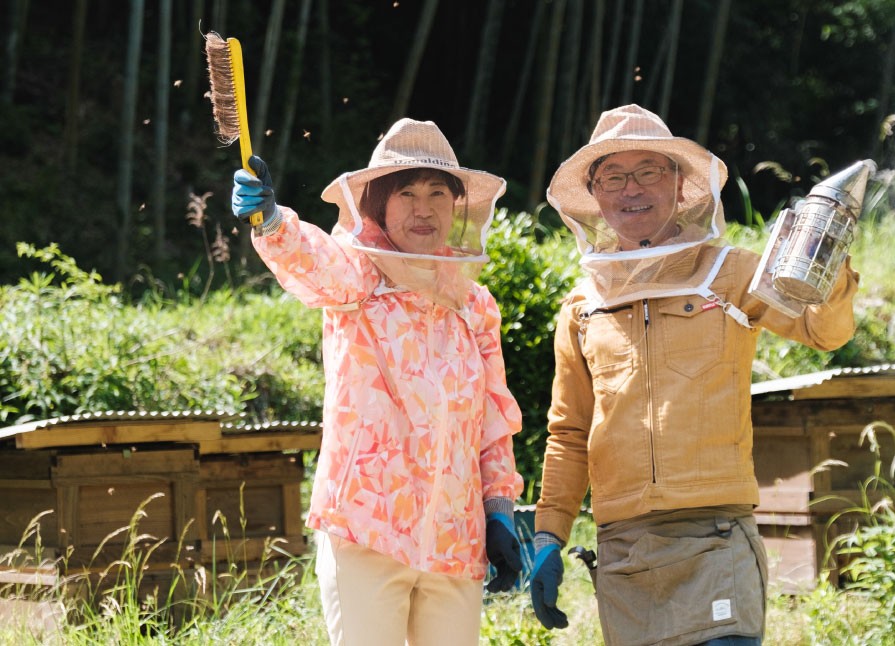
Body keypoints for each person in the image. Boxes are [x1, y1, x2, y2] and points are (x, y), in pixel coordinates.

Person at [528, 104, 859, 645]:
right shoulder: (582, 307)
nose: (631, 189)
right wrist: (548, 535)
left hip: (715, 536)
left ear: (680, 183)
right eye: (613, 176)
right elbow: (568, 433)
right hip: (624, 549)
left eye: (649, 171)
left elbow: (824, 331)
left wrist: (830, 263)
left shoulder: (731, 274)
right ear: (595, 195)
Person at [231, 118, 524, 646]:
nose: (423, 207)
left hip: (455, 541)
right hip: (367, 531)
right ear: (377, 206)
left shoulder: (474, 304)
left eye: (438, 192)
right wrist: (272, 221)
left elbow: (493, 416)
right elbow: (312, 259)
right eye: (406, 192)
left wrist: (499, 510)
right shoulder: (359, 280)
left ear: (457, 205)